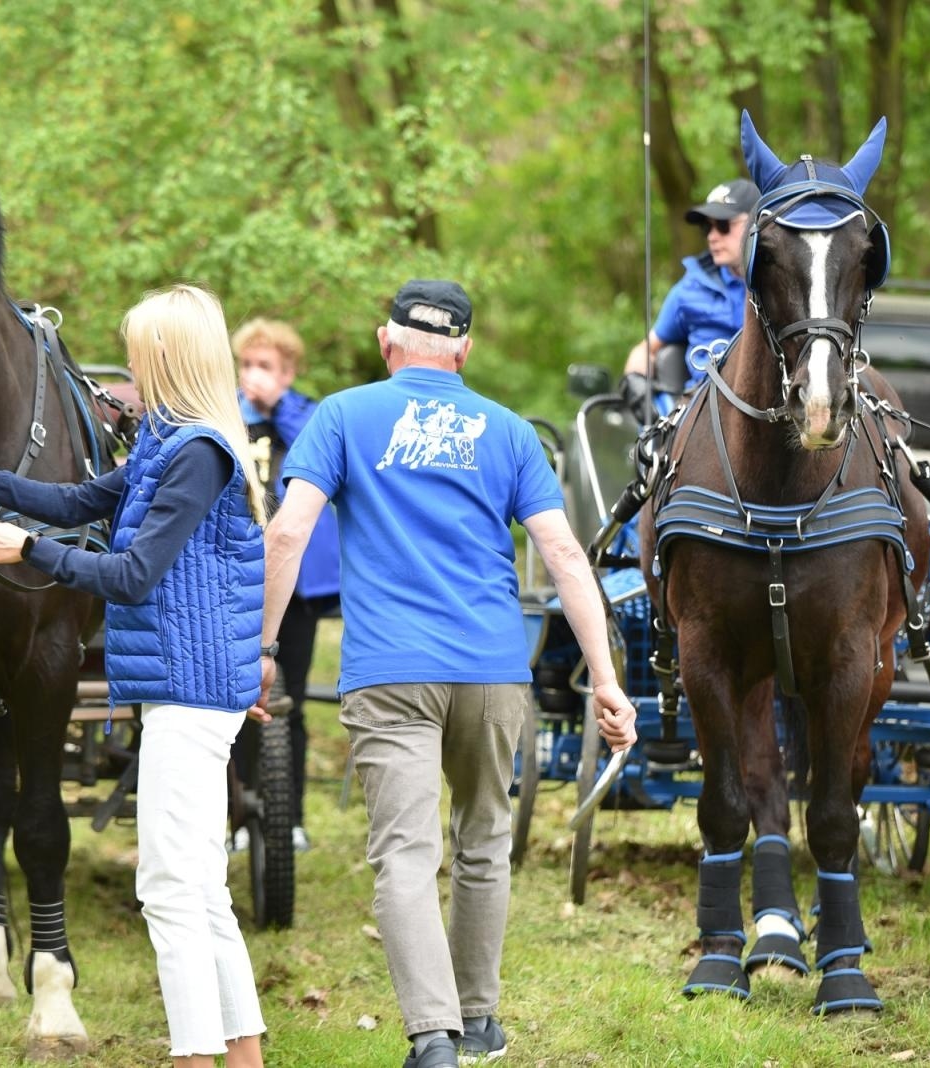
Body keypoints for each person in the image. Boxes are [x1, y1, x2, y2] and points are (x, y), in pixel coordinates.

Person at [256, 280, 636, 1068]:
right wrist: (605, 676)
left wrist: (259, 649)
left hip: (390, 668)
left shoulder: (342, 416)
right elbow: (564, 554)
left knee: (404, 852)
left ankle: (433, 1037)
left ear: (385, 340)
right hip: (493, 668)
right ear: (464, 351)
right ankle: (480, 1020)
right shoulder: (506, 431)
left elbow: (288, 533)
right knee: (484, 842)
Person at [0, 284, 269, 1068]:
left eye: (140, 351)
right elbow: (71, 498)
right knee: (202, 892)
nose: (130, 366)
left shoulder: (198, 455)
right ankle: (239, 1056)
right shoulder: (172, 445)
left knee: (168, 893)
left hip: (189, 692)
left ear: (167, 358)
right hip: (187, 689)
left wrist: (26, 550)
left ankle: (194, 1057)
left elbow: (134, 576)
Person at [230, 318, 342, 854]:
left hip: (293, 587)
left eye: (265, 367)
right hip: (232, 574)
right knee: (232, 702)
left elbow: (322, 460)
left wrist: (280, 407)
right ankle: (235, 816)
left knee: (287, 700)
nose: (254, 376)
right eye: (247, 365)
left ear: (288, 371)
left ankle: (289, 817)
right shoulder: (225, 414)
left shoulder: (310, 416)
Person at [623, 178, 760, 405]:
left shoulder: (780, 285)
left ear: (756, 224)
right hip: (704, 411)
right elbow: (646, 349)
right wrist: (635, 382)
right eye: (707, 227)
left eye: (723, 225)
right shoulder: (689, 290)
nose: (712, 236)